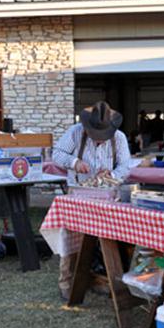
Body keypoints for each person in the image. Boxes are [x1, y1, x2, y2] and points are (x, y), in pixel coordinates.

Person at [52, 101, 131, 300]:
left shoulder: (119, 138)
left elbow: (125, 167)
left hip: (107, 196)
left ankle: (102, 279)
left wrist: (111, 174)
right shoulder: (75, 132)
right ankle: (67, 282)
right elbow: (57, 154)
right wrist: (74, 162)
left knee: (108, 238)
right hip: (78, 193)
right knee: (71, 237)